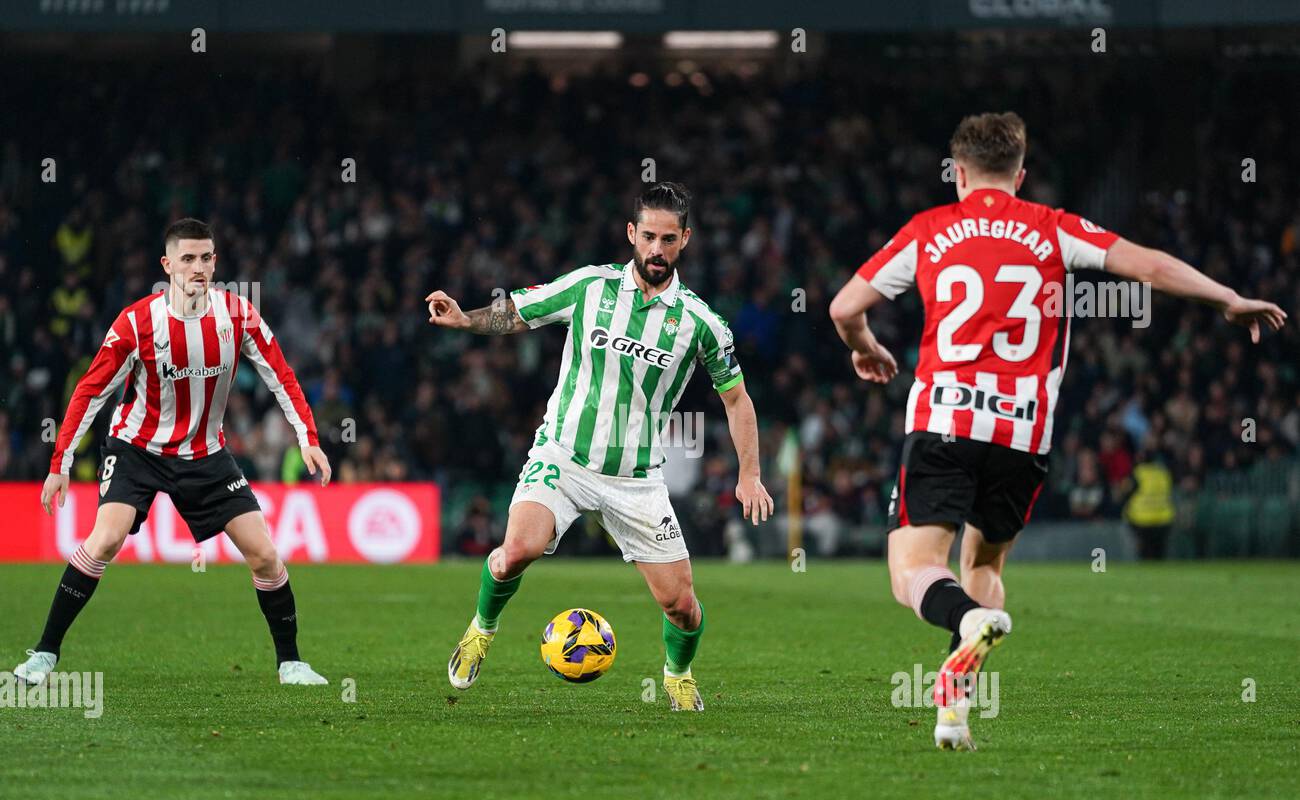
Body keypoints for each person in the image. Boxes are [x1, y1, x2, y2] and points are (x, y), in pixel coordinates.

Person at [829, 112, 1286, 750]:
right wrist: (1226, 297)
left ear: (957, 173)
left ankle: (969, 621)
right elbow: (1149, 266)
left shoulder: (930, 231)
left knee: (912, 570)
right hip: (1023, 434)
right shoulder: (1053, 228)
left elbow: (844, 307)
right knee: (983, 561)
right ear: (1021, 173)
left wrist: (868, 347)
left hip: (944, 422)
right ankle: (954, 705)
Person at [425, 182, 774, 711]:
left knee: (681, 605)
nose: (657, 249)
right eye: (649, 236)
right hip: (562, 456)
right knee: (515, 551)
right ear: (632, 234)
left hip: (636, 479)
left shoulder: (702, 323)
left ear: (686, 240)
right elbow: (519, 311)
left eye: (669, 239)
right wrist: (464, 318)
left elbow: (738, 399)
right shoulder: (590, 287)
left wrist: (749, 473)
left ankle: (677, 674)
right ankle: (481, 628)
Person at [14, 218, 333, 688]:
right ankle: (44, 654)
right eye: (187, 259)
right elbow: (90, 391)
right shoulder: (136, 323)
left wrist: (308, 437)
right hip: (137, 449)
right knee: (104, 540)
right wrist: (60, 463)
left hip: (205, 454)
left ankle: (290, 663)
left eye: (206, 258)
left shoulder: (238, 315)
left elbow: (280, 374)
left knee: (265, 555)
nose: (198, 267)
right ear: (167, 265)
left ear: (215, 262)